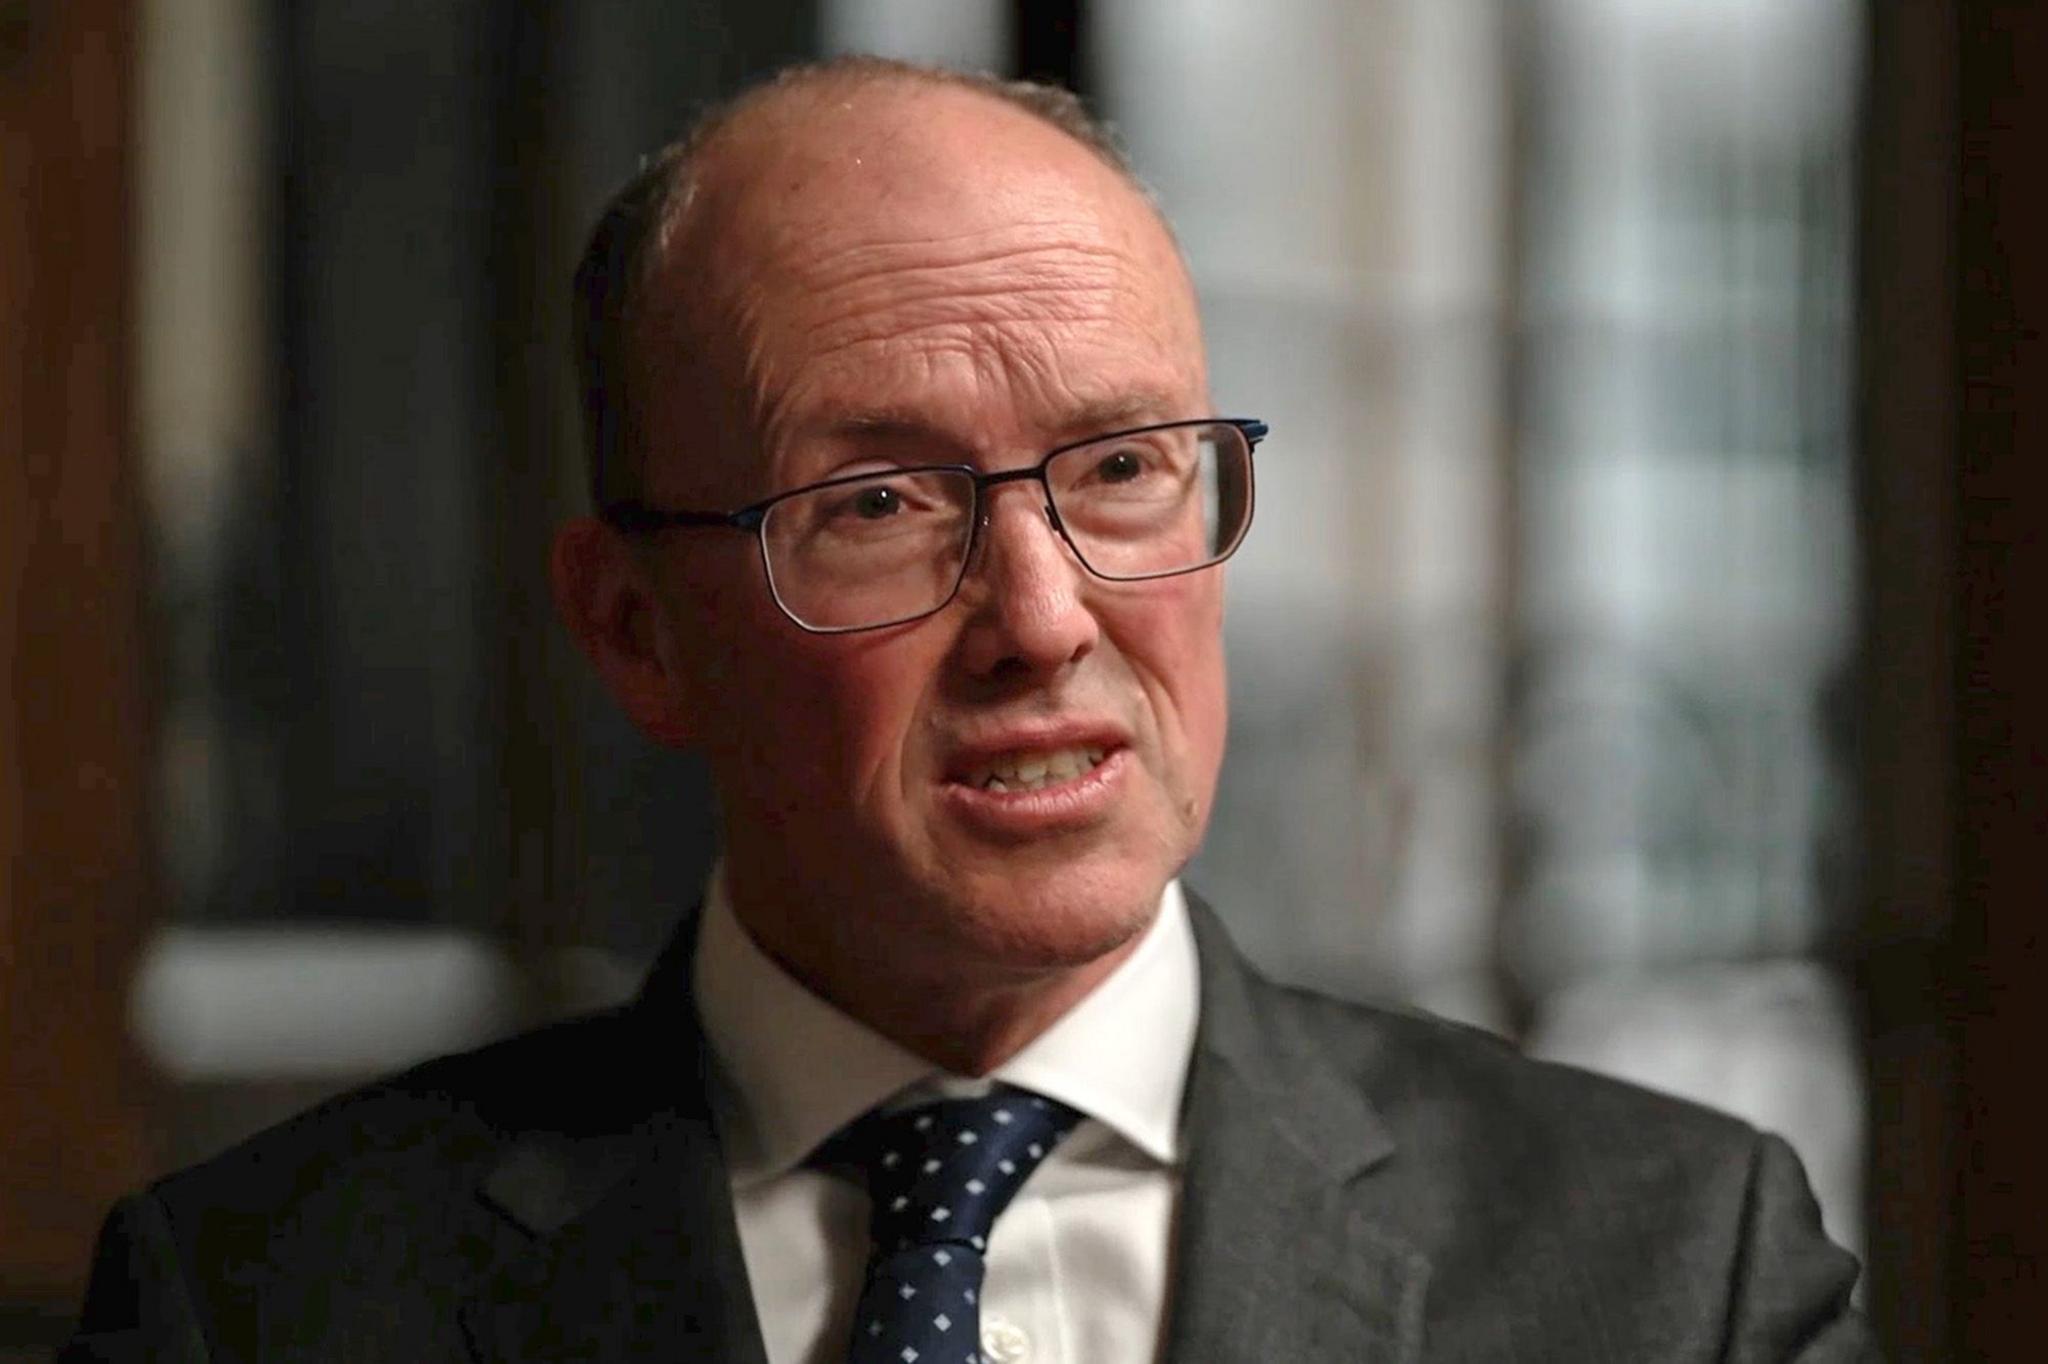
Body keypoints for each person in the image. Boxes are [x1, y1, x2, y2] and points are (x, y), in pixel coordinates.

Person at [65, 56, 1877, 1362]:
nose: (1041, 616)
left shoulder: (1672, 1274)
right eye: (877, 506)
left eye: (1124, 470)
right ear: (636, 631)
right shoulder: (258, 1304)